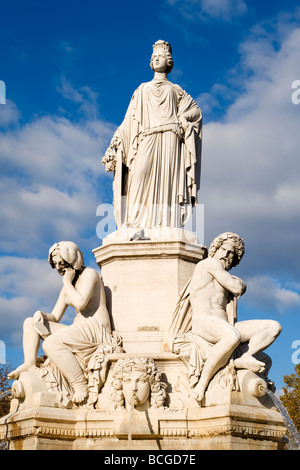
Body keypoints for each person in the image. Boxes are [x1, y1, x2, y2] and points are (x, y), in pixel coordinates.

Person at [165, 232, 282, 403]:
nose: (226, 255)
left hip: (223, 325)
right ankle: (202, 384)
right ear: (215, 249)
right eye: (223, 250)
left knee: (273, 327)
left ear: (235, 259)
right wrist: (241, 283)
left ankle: (241, 359)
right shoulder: (208, 264)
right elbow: (237, 288)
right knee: (232, 336)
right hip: (204, 322)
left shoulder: (222, 275)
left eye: (231, 253)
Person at [102, 40, 202, 230]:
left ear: (169, 61)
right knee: (139, 174)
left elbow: (196, 112)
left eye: (161, 56)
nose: (156, 59)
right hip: (147, 137)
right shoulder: (142, 89)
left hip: (171, 138)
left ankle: (166, 223)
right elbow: (129, 121)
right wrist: (115, 142)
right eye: (154, 57)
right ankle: (136, 223)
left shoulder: (176, 90)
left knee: (167, 179)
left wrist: (182, 118)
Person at [8, 241, 122, 405]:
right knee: (29, 322)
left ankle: (80, 385)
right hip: (80, 328)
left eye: (62, 263)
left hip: (95, 328)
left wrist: (67, 283)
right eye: (56, 264)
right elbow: (55, 316)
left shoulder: (90, 274)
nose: (60, 268)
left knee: (51, 343)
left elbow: (81, 303)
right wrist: (41, 315)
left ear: (73, 259)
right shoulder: (67, 286)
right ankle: (30, 363)